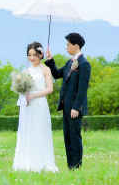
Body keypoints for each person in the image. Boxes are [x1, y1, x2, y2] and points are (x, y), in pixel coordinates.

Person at [45, 32, 91, 170]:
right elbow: (57, 74)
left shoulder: (84, 64)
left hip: (75, 109)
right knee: (68, 138)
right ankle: (70, 166)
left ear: (76, 46)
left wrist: (76, 108)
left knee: (75, 138)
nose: (66, 48)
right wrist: (50, 60)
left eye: (68, 45)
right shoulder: (70, 62)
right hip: (66, 107)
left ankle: (77, 167)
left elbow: (82, 89)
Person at [12, 42, 58, 172]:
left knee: (40, 130)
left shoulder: (45, 69)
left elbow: (49, 89)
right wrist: (22, 92)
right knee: (28, 131)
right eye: (29, 55)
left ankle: (42, 162)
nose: (32, 58)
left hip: (39, 103)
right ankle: (27, 162)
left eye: (34, 55)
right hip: (28, 105)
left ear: (41, 54)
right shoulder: (25, 71)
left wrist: (35, 95)